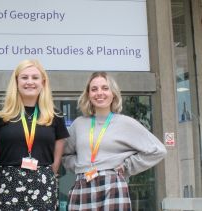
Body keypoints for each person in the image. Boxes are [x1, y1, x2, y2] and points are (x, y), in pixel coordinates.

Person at [62, 71, 167, 211]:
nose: (99, 93)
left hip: (112, 185)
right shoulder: (78, 124)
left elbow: (158, 150)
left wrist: (127, 166)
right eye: (94, 89)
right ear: (88, 95)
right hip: (83, 184)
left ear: (113, 93)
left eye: (105, 88)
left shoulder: (126, 123)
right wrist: (79, 165)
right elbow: (64, 154)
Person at [0, 59, 69, 211]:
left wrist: (43, 177)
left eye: (35, 78)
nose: (30, 82)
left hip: (43, 185)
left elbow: (57, 161)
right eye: (24, 77)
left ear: (43, 82)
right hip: (7, 184)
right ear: (16, 81)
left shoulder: (55, 115)